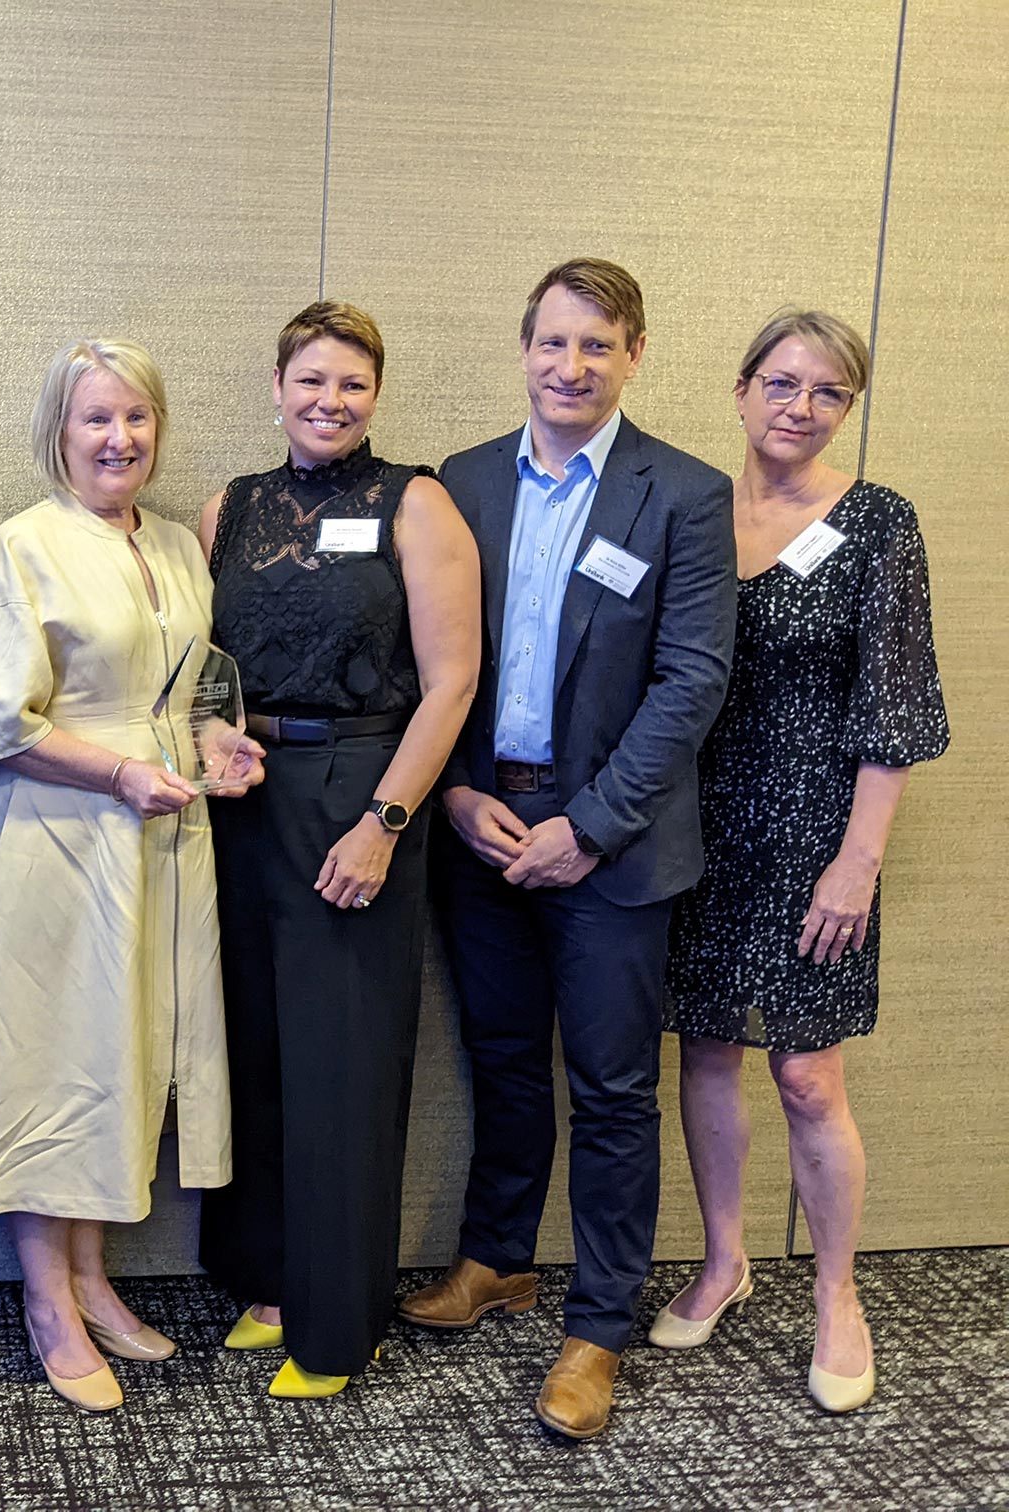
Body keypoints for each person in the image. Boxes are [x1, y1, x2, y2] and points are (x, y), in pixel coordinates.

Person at [397, 258, 737, 1440]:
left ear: (634, 353)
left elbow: (694, 680)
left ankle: (597, 1326)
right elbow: (428, 662)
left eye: (598, 345)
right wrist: (452, 797)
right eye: (553, 342)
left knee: (609, 1090)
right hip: (482, 825)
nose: (572, 366)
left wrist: (587, 827)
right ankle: (498, 1256)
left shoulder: (685, 494)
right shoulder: (465, 484)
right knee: (497, 1059)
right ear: (524, 349)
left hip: (614, 849)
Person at [0, 338, 265, 1414]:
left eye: (135, 417)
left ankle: (91, 1279)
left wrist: (216, 745)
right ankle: (45, 1301)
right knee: (53, 1057)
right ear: (59, 432)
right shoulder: (21, 546)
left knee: (118, 1055)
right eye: (96, 419)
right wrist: (125, 770)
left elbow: (193, 693)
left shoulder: (178, 544)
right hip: (56, 832)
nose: (118, 438)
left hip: (162, 833)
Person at [650, 310, 949, 1413]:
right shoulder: (686, 511)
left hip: (817, 839)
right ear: (739, 390)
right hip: (695, 828)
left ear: (845, 412)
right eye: (782, 383)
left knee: (808, 1073)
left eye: (828, 394)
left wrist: (857, 865)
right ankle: (725, 1260)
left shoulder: (876, 524)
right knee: (710, 1050)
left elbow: (896, 703)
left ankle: (838, 1296)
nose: (800, 407)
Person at [195, 303, 480, 1399]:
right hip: (246, 798)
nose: (330, 401)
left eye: (352, 384)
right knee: (258, 1048)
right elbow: (207, 662)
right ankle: (269, 1286)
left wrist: (388, 821)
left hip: (363, 800)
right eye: (310, 380)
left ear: (377, 396)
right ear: (276, 387)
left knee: (344, 1062)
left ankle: (338, 1325)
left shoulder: (416, 501)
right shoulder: (233, 506)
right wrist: (217, 734)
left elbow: (452, 681)